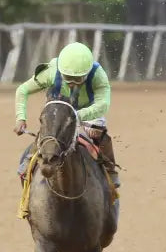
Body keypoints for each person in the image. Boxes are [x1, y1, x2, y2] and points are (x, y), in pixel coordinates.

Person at [14, 41, 119, 189]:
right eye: (67, 77)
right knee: (50, 133)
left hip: (88, 113)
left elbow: (103, 105)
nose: (71, 83)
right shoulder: (51, 71)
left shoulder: (98, 75)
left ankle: (110, 169)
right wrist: (20, 118)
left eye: (78, 79)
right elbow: (22, 90)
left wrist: (77, 115)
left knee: (99, 134)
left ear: (88, 73)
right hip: (58, 111)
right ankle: (31, 158)